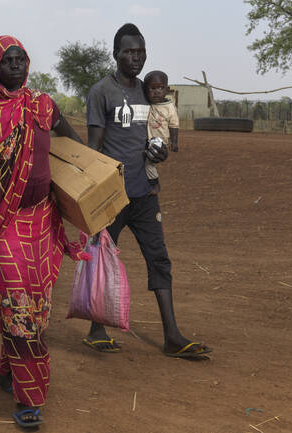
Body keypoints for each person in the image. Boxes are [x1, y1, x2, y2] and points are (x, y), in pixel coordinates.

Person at [0, 35, 89, 428]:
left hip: (44, 221)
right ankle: (29, 399)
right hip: (4, 223)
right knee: (19, 309)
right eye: (7, 61)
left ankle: (8, 369)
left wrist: (88, 178)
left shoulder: (41, 104)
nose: (16, 65)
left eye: (21, 59)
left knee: (36, 309)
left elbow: (73, 142)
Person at [84, 23, 211, 358]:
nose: (135, 58)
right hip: (111, 196)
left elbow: (158, 140)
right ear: (115, 54)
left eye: (140, 51)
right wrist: (92, 194)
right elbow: (93, 147)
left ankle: (172, 336)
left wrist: (161, 153)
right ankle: (96, 328)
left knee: (159, 258)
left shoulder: (149, 91)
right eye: (128, 52)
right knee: (102, 259)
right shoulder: (101, 92)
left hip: (144, 192)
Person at [143, 70, 179, 195]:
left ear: (167, 89)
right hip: (146, 138)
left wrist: (174, 142)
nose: (157, 91)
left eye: (161, 88)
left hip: (159, 141)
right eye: (152, 88)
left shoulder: (169, 107)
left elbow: (174, 125)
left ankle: (155, 184)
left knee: (149, 163)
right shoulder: (147, 103)